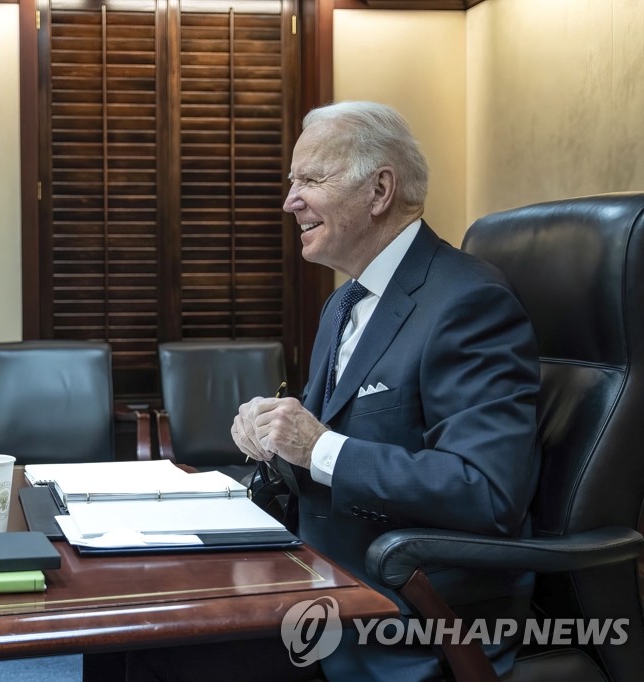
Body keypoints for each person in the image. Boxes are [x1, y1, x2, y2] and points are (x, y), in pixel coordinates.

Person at [128, 102, 542, 680]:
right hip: (318, 567)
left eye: (310, 180)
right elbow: (321, 449)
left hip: (403, 607)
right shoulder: (343, 303)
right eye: (291, 181)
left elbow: (486, 493)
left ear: (379, 190)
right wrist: (271, 435)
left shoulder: (469, 304)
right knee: (140, 624)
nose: (289, 200)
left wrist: (317, 446)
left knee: (158, 648)